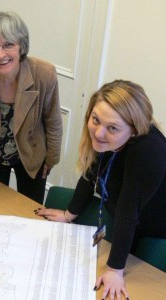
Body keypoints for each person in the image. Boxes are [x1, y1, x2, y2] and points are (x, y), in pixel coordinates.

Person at [36, 80, 166, 299]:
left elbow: (128, 212)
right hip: (125, 218)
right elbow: (90, 174)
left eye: (112, 128)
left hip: (154, 224)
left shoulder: (149, 151)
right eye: (95, 119)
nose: (98, 133)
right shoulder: (105, 136)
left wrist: (115, 270)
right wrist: (68, 216)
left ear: (133, 131)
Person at [0, 11, 62, 204]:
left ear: (21, 46)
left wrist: (51, 159)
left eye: (8, 44)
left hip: (31, 151)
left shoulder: (44, 74)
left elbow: (53, 121)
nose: (0, 55)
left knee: (29, 209)